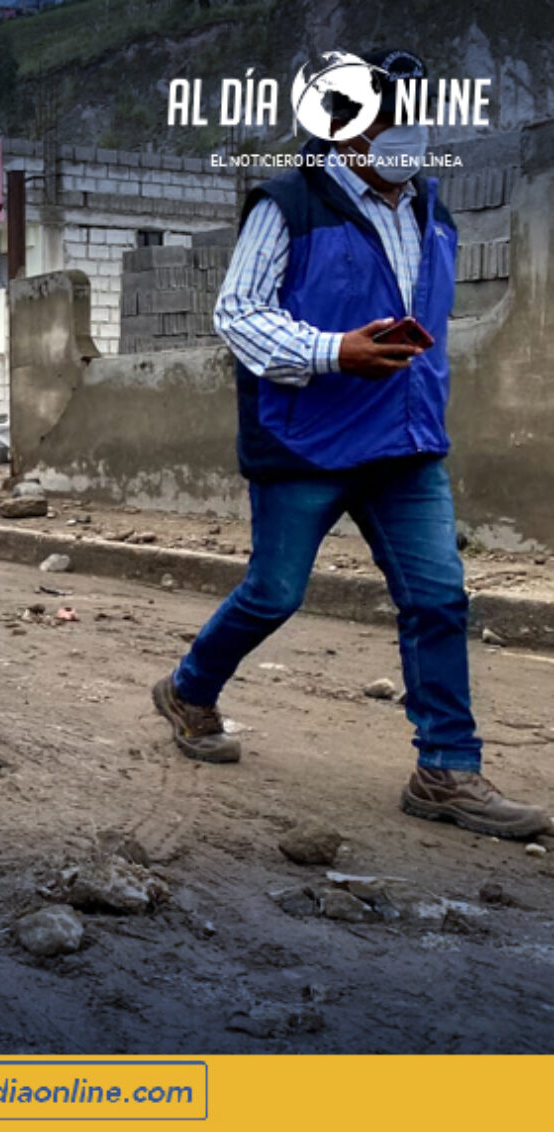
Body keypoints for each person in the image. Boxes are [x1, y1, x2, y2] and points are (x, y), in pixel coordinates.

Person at [150, 48, 547, 839]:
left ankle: (447, 770)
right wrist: (338, 351)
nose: (407, 137)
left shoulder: (431, 210)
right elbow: (238, 315)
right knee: (275, 593)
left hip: (405, 444)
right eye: (389, 123)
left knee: (437, 598)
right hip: (308, 442)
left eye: (415, 122)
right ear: (344, 131)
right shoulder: (290, 204)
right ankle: (189, 689)